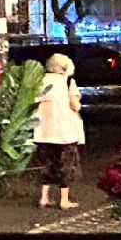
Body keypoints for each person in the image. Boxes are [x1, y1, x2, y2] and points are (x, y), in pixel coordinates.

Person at [32, 53, 84, 210]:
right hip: (64, 132)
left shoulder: (39, 81)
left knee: (45, 165)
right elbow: (75, 105)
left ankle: (44, 198)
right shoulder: (67, 81)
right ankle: (64, 200)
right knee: (65, 165)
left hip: (42, 130)